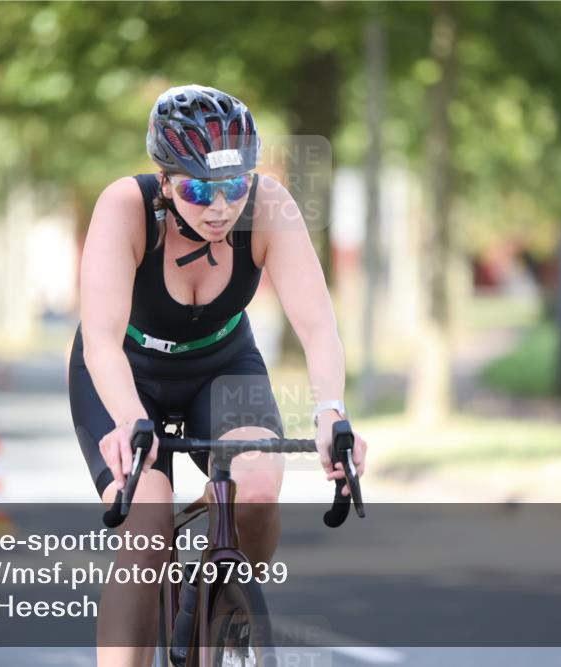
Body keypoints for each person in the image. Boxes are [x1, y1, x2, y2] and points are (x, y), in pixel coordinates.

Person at [68, 83, 368, 667]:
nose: (220, 206)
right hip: (126, 369)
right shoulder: (125, 207)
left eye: (234, 185)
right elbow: (101, 339)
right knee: (148, 524)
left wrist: (331, 412)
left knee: (255, 489)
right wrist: (129, 419)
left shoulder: (269, 207)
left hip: (220, 364)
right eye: (198, 189)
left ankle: (220, 613)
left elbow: (317, 326)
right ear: (165, 181)